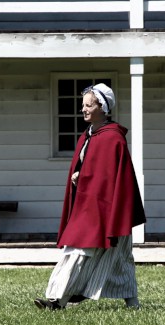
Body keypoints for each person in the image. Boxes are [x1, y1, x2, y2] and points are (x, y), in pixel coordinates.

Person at [34, 83, 146, 310]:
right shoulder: (90, 135)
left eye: (88, 105)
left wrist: (82, 177)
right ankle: (60, 300)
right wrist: (80, 176)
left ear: (102, 107)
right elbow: (91, 170)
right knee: (86, 252)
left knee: (116, 256)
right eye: (82, 105)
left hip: (109, 208)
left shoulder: (112, 138)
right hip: (92, 206)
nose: (83, 109)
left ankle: (62, 301)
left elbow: (108, 177)